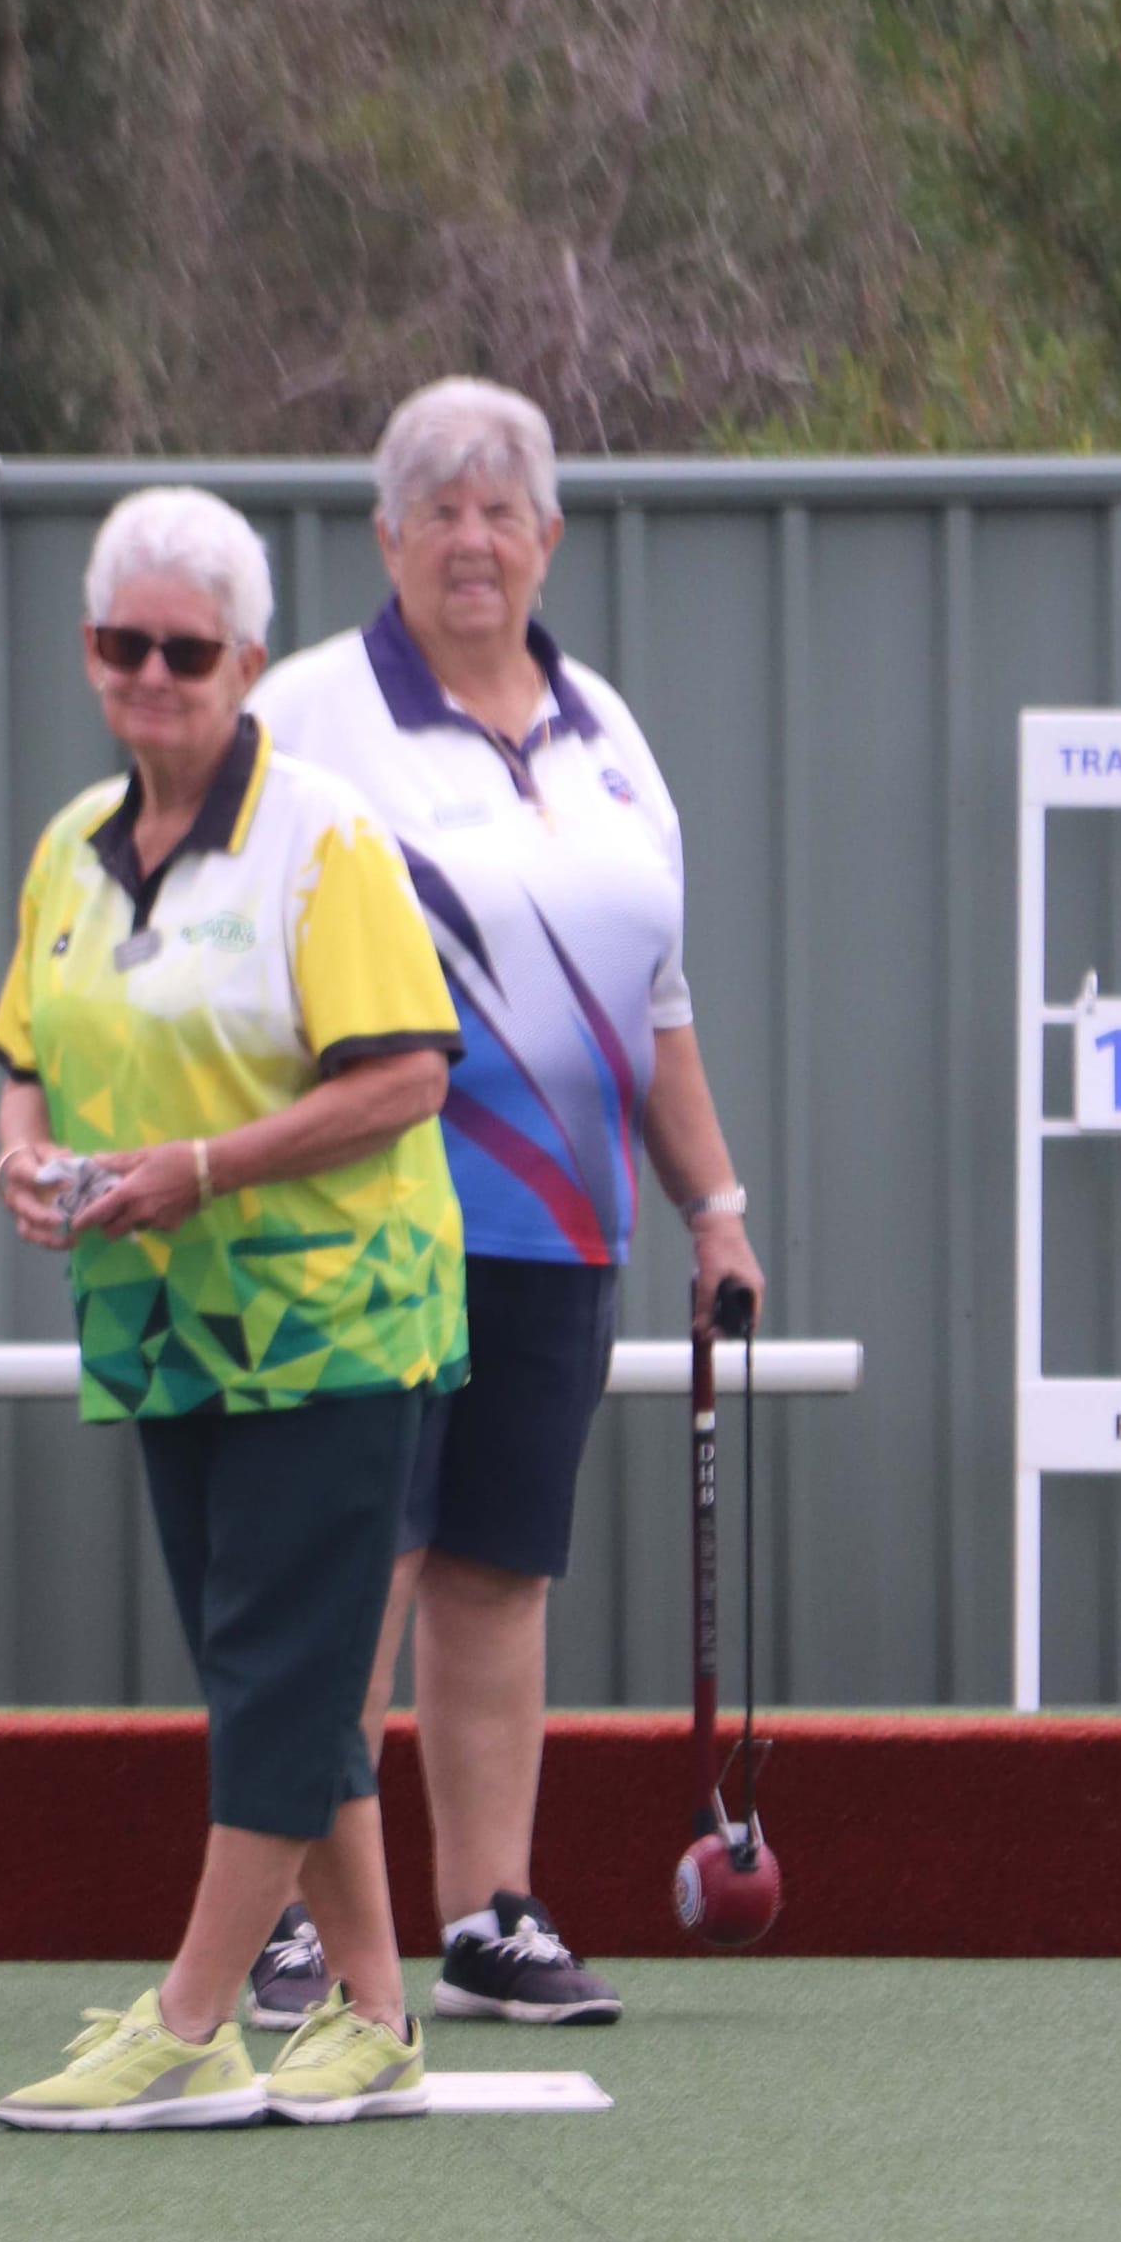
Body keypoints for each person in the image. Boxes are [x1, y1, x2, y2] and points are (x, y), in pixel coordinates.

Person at [251, 377, 764, 2029]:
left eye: (501, 508)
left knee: (493, 1576)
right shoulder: (317, 716)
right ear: (385, 535)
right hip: (360, 1216)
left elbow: (657, 998)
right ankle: (283, 1916)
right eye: (438, 507)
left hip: (558, 1232)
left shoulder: (610, 734)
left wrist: (718, 1207)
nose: (472, 538)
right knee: (359, 1571)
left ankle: (483, 1914)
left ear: (548, 536)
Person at [0, 485, 467, 2128]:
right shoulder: (69, 845)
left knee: (277, 1667)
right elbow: (27, 1057)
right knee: (276, 1668)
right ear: (90, 654)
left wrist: (205, 1163)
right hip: (155, 1323)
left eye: (187, 650)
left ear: (247, 660)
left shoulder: (325, 835)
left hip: (336, 1317)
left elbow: (407, 1076)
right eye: (123, 645)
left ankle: (194, 2020)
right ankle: (381, 2016)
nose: (153, 675)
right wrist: (24, 1154)